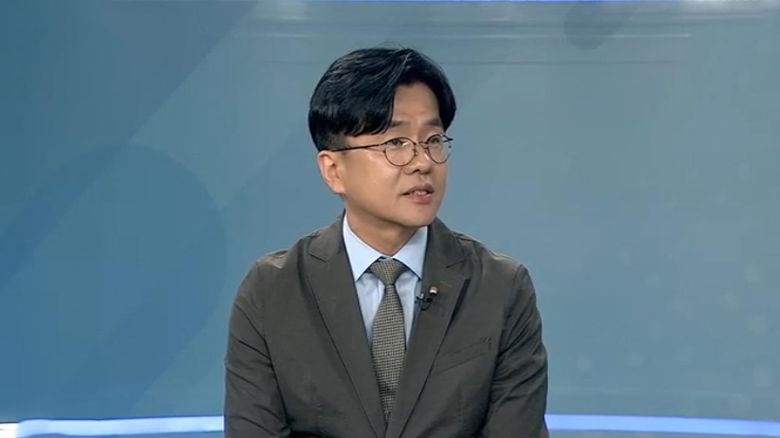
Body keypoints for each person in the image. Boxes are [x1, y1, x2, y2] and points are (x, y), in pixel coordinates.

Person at [224, 46, 549, 438]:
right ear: (333, 170)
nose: (422, 162)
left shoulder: (500, 288)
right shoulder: (272, 291)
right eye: (395, 143)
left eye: (433, 139)